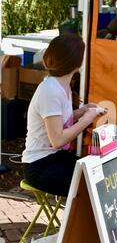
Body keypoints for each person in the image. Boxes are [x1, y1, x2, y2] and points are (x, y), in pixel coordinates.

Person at [22, 34, 105, 197]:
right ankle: (75, 223)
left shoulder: (61, 86)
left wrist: (81, 112)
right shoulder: (51, 90)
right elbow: (57, 140)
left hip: (52, 158)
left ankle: (78, 222)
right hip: (39, 166)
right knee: (93, 186)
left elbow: (57, 121)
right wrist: (86, 119)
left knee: (98, 175)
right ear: (76, 63)